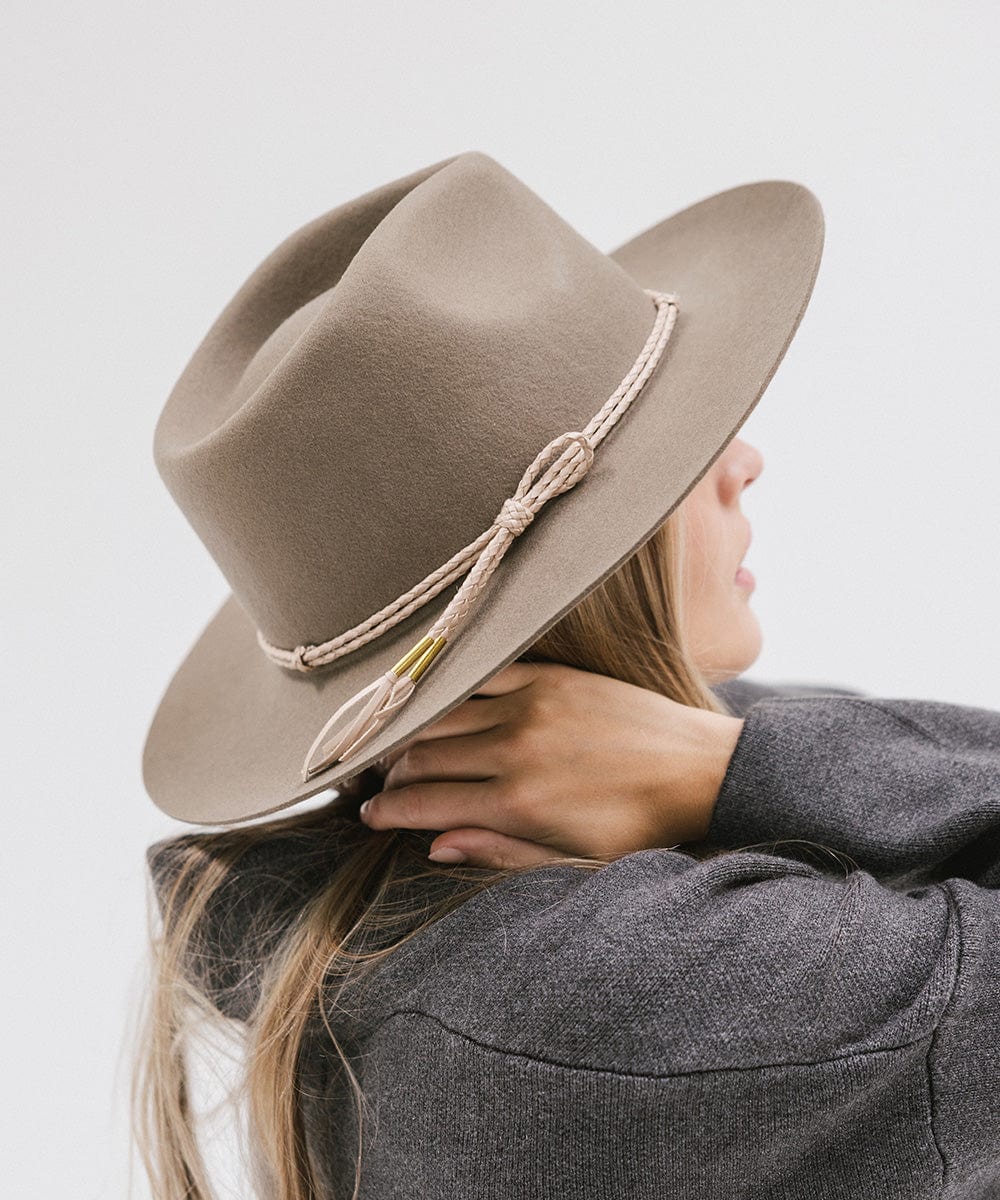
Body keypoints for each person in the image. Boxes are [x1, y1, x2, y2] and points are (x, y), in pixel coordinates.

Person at [135, 152, 1000, 1199]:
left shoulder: (392, 921)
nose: (743, 460)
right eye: (675, 445)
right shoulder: (592, 990)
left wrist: (723, 761)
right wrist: (737, 767)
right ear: (581, 571)